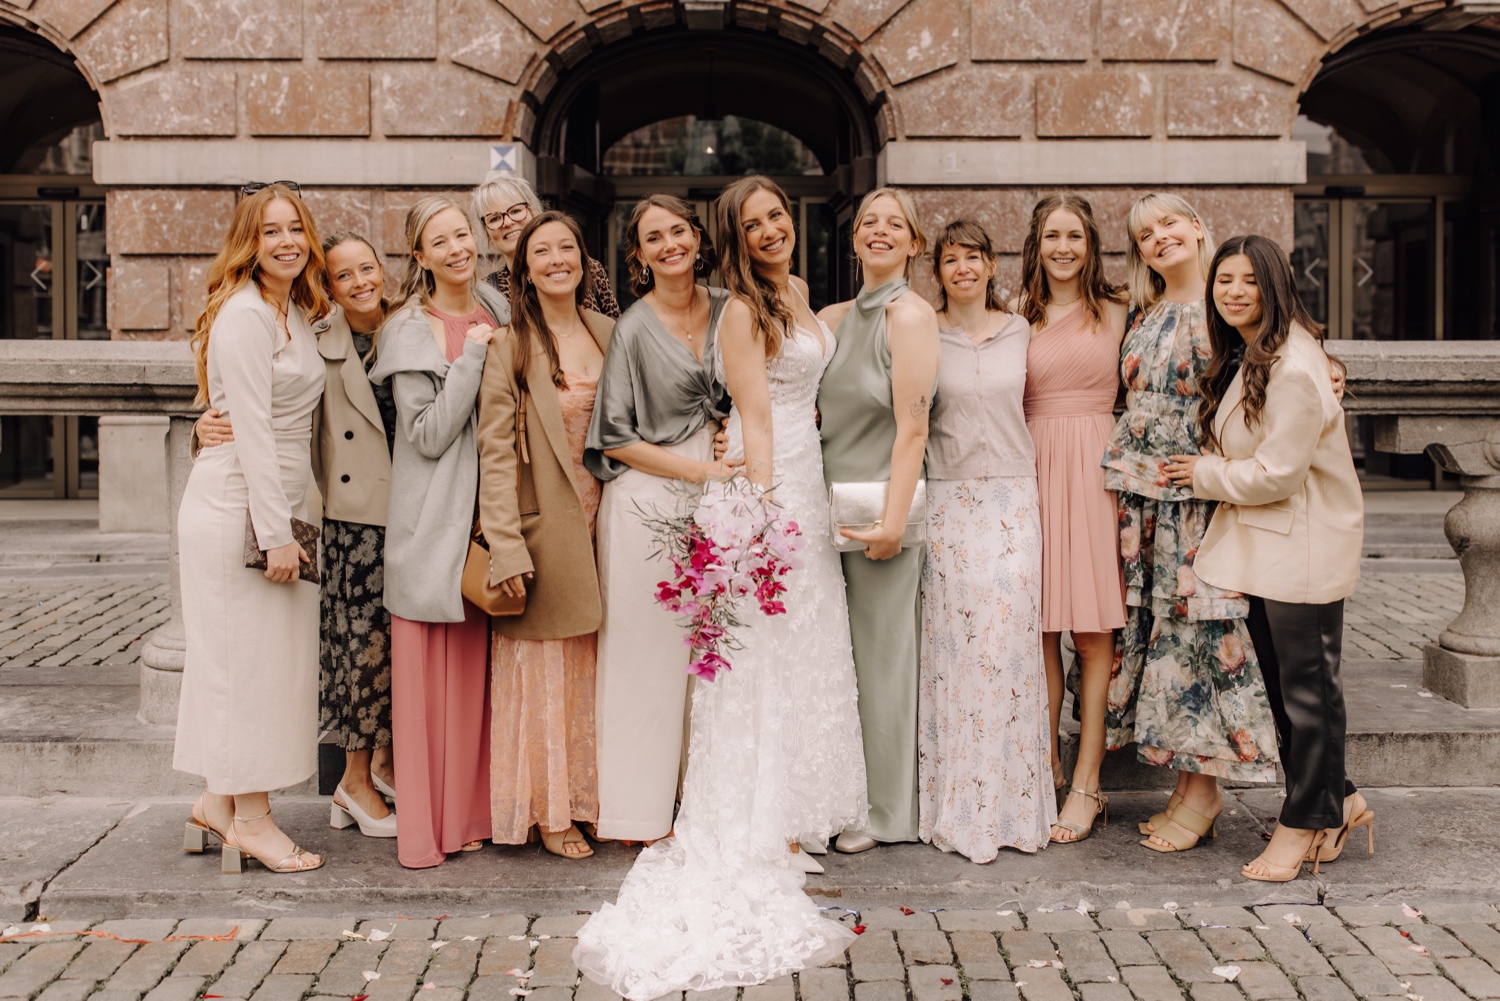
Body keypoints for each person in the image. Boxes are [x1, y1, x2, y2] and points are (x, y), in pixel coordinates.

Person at [573, 174, 866, 998]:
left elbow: (819, 365)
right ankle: (756, 816)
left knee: (805, 642)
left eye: (779, 215)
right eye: (755, 222)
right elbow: (756, 415)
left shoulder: (801, 293)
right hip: (770, 483)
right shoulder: (740, 310)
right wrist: (766, 509)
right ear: (732, 237)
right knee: (760, 650)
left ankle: (801, 802)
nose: (771, 229)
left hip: (809, 475)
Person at [1165, 234, 1367, 881]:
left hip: (1302, 547)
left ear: (1274, 284)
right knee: (1288, 693)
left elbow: (1278, 473)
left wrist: (1203, 472)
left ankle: (1306, 821)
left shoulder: (1296, 365)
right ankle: (1342, 800)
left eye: (1249, 279)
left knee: (1309, 696)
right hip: (1271, 549)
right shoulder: (1257, 353)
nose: (1233, 290)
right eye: (1223, 279)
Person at [193, 230, 402, 837]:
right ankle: (340, 786)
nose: (360, 281)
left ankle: (219, 800)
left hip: (406, 509)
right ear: (327, 283)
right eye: (345, 274)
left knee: (392, 652)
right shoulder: (309, 330)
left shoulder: (412, 322)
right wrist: (201, 425)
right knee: (353, 651)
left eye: (369, 267)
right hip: (341, 514)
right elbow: (247, 402)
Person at [1101, 193, 1279, 855]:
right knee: (1164, 639)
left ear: (1198, 227)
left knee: (1200, 636)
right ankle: (1185, 781)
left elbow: (1281, 359)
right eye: (1146, 233)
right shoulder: (1143, 311)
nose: (1159, 237)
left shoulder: (1226, 301)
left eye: (1170, 223)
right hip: (1145, 501)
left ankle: (1206, 791)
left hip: (1194, 502)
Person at [175, 182, 329, 874]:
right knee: (249, 667)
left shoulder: (291, 308)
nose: (287, 241)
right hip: (242, 501)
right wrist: (275, 533)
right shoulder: (243, 313)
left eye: (295, 228)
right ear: (250, 241)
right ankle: (256, 821)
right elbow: (254, 430)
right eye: (270, 231)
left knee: (252, 662)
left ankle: (216, 800)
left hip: (279, 497)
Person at [584, 195, 738, 845]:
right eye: (654, 237)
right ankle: (637, 812)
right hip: (649, 497)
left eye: (678, 230)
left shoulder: (734, 308)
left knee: (714, 658)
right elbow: (613, 437)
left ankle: (704, 801)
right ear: (639, 255)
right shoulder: (634, 328)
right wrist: (698, 470)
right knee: (645, 657)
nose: (669, 243)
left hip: (725, 493)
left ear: (698, 237)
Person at [369, 195, 505, 868]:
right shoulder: (408, 330)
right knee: (427, 683)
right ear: (419, 256)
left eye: (463, 234)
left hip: (488, 522)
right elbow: (425, 435)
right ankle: (427, 827)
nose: (458, 248)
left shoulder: (500, 309)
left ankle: (471, 814)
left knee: (475, 676)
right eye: (440, 241)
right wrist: (473, 358)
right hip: (431, 525)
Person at [477, 212, 611, 861]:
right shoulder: (511, 343)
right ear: (523, 270)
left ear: (584, 261)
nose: (556, 258)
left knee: (595, 667)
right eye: (542, 251)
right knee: (546, 666)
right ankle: (548, 809)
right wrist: (505, 542)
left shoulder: (612, 333)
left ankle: (591, 798)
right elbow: (495, 450)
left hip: (607, 521)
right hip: (545, 525)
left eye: (567, 247)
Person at [920, 219, 1054, 860]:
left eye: (974, 256)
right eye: (951, 260)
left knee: (1006, 643)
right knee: (956, 645)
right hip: (948, 500)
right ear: (938, 271)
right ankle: (956, 801)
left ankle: (1010, 805)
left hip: (1011, 499)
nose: (963, 268)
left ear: (991, 264)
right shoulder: (923, 331)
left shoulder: (1022, 331)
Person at [816, 187, 941, 854]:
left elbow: (912, 427)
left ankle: (891, 809)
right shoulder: (832, 318)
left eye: (896, 224)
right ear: (855, 237)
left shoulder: (911, 315)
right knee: (840, 659)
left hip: (880, 508)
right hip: (823, 501)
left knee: (883, 656)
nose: (881, 230)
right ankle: (840, 790)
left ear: (914, 243)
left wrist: (894, 522)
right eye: (869, 221)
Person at [1012, 195, 1129, 845]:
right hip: (1030, 467)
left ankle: (1088, 781)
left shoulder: (1115, 307)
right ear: (1036, 242)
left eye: (1074, 236)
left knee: (1091, 635)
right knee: (1039, 632)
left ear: (1090, 244)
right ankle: (1043, 766)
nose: (1063, 246)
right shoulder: (1015, 315)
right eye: (1052, 235)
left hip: (1095, 474)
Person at [473, 173, 619, 319]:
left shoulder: (587, 269)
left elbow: (617, 335)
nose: (508, 222)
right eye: (494, 219)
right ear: (487, 234)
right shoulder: (487, 292)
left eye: (516, 211)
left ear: (534, 213)